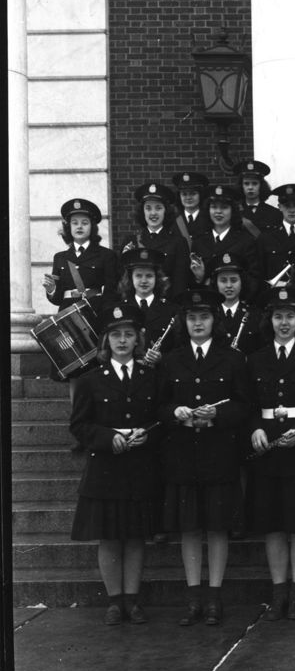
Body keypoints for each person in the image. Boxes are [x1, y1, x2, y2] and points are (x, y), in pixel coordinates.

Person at [157, 287, 251, 626]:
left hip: (218, 453)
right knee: (190, 528)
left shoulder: (233, 358)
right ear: (185, 322)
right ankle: (193, 596)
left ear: (215, 321)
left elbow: (243, 404)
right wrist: (176, 412)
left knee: (217, 527)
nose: (198, 323)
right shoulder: (171, 359)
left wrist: (217, 416)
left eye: (205, 317)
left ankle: (214, 597)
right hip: (183, 453)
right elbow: (160, 406)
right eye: (192, 317)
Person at [69, 302, 162, 625]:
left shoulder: (152, 378)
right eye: (116, 335)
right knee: (109, 537)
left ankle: (133, 600)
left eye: (129, 335)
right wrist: (108, 438)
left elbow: (161, 419)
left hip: (139, 465)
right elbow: (79, 426)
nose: (122, 341)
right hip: (105, 468)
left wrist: (147, 435)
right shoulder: (90, 380)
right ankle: (114, 601)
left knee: (136, 536)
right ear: (106, 341)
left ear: (138, 340)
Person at [246, 285, 295, 621]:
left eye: (290, 316)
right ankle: (279, 590)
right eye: (278, 316)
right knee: (274, 525)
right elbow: (248, 404)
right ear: (271, 320)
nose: (284, 322)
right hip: (269, 450)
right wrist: (255, 428)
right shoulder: (256, 359)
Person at [42, 198, 119, 314]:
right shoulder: (60, 258)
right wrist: (51, 289)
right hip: (67, 315)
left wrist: (103, 314)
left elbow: (111, 292)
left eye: (84, 223)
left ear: (92, 227)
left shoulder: (106, 255)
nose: (79, 227)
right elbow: (57, 300)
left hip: (95, 312)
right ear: (69, 228)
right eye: (74, 223)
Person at [119, 182, 191, 298]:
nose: (153, 213)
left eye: (158, 208)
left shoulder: (178, 242)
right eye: (148, 208)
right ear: (142, 212)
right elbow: (123, 281)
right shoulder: (130, 242)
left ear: (165, 211)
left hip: (166, 305)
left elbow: (180, 283)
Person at [189, 184, 261, 295]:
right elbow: (190, 282)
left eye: (224, 207)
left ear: (233, 210)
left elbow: (254, 279)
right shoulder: (199, 242)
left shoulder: (245, 241)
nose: (218, 212)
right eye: (214, 207)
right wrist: (200, 278)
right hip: (208, 304)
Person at [115, 247, 180, 366]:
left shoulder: (172, 310)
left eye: (149, 276)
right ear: (130, 278)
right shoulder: (120, 310)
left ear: (157, 278)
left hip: (159, 377)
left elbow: (180, 349)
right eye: (138, 276)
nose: (144, 281)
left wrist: (162, 358)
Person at [235, 159, 282, 233]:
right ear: (241, 186)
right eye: (246, 183)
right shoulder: (234, 212)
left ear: (261, 186)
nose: (250, 187)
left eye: (254, 183)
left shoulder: (274, 213)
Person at [173, 171, 211, 236]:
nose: (188, 198)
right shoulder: (173, 220)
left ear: (200, 195)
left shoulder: (210, 219)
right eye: (184, 194)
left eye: (193, 194)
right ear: (179, 197)